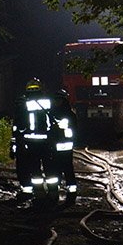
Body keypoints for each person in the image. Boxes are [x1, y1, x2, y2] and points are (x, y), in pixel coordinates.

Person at [13, 79, 59, 207]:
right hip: (47, 142)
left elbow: (20, 126)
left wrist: (16, 142)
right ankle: (53, 194)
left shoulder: (23, 104)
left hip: (31, 143)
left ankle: (40, 195)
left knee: (35, 170)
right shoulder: (48, 102)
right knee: (50, 169)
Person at [49, 89, 78, 204]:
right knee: (55, 171)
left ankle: (71, 194)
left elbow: (73, 131)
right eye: (55, 100)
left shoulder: (69, 115)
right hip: (55, 146)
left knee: (67, 170)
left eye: (59, 100)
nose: (57, 102)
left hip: (65, 147)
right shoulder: (52, 114)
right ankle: (54, 193)